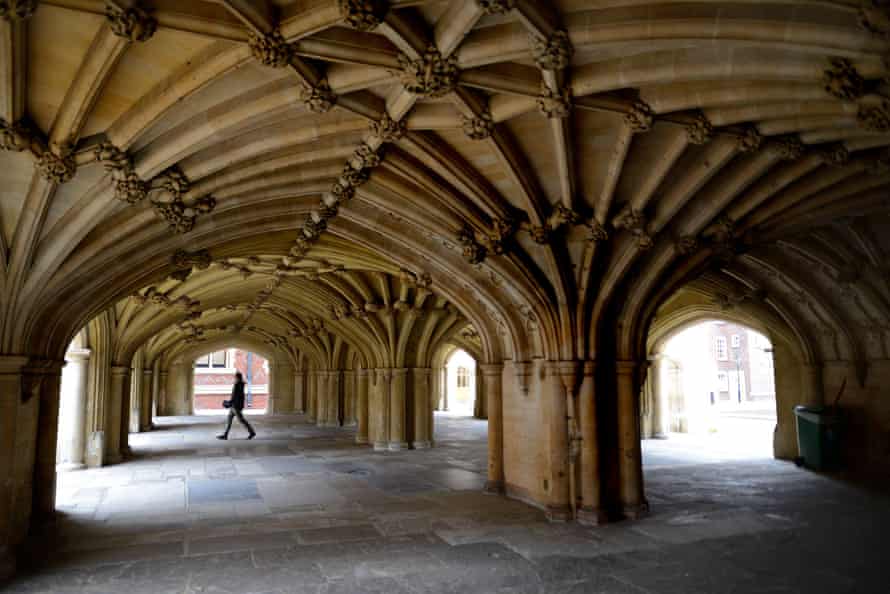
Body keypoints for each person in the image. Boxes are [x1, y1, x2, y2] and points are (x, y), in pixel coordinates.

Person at [217, 371, 256, 440]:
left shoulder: (237, 384)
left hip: (235, 406)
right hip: (236, 405)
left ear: (237, 377)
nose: (234, 378)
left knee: (241, 420)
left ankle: (252, 432)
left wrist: (229, 403)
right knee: (229, 420)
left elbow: (234, 396)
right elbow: (239, 396)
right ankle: (225, 435)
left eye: (235, 377)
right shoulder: (241, 384)